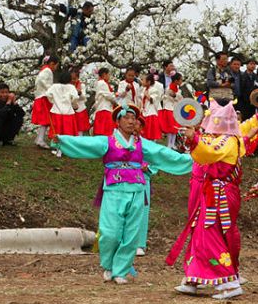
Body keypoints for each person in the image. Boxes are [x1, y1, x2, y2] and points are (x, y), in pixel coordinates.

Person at [52, 103, 192, 283]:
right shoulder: (107, 141)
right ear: (117, 122)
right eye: (126, 118)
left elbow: (163, 154)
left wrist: (191, 159)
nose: (131, 121)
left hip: (137, 190)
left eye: (133, 118)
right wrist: (62, 140)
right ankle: (109, 266)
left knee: (131, 233)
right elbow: (86, 143)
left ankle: (120, 271)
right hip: (113, 189)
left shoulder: (143, 144)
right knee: (110, 232)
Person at [166, 100, 249, 299]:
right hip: (212, 191)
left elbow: (209, 152)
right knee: (201, 233)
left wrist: (194, 138)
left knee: (210, 235)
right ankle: (194, 278)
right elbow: (205, 148)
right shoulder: (224, 138)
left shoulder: (228, 140)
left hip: (220, 194)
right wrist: (193, 138)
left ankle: (229, 282)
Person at [31, 55, 59, 148]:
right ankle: (40, 140)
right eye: (56, 65)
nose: (56, 68)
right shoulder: (47, 71)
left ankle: (39, 138)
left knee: (45, 120)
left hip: (41, 96)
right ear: (52, 64)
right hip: (44, 97)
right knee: (46, 120)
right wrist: (50, 90)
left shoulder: (43, 70)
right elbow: (42, 81)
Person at [46, 69, 81, 140]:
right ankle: (66, 147)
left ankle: (56, 148)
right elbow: (75, 98)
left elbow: (48, 94)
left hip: (56, 111)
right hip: (68, 112)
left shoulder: (54, 86)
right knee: (68, 132)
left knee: (56, 131)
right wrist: (73, 104)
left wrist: (53, 101)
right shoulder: (71, 87)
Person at [92, 68, 118, 136]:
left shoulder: (102, 83)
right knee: (105, 131)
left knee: (104, 130)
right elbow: (108, 95)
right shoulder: (102, 83)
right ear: (104, 74)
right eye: (108, 74)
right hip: (104, 108)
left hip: (104, 108)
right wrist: (115, 98)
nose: (109, 76)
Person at [160, 73, 183, 150]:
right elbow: (165, 98)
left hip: (175, 109)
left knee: (175, 127)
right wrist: (172, 96)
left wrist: (175, 96)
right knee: (171, 126)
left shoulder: (178, 89)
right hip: (169, 108)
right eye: (180, 80)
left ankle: (173, 143)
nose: (181, 81)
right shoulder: (168, 88)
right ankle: (169, 143)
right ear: (176, 81)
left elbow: (180, 98)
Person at [139, 72, 163, 141]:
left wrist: (147, 95)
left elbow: (153, 100)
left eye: (143, 80)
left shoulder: (154, 90)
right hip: (144, 111)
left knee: (151, 132)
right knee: (144, 132)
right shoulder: (143, 89)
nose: (142, 81)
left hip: (151, 112)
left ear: (148, 82)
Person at [69, 67, 91, 135]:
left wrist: (80, 93)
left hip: (80, 109)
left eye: (74, 79)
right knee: (71, 128)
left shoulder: (82, 85)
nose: (73, 80)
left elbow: (84, 97)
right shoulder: (68, 86)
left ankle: (79, 142)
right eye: (71, 79)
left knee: (80, 128)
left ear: (78, 78)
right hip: (70, 109)